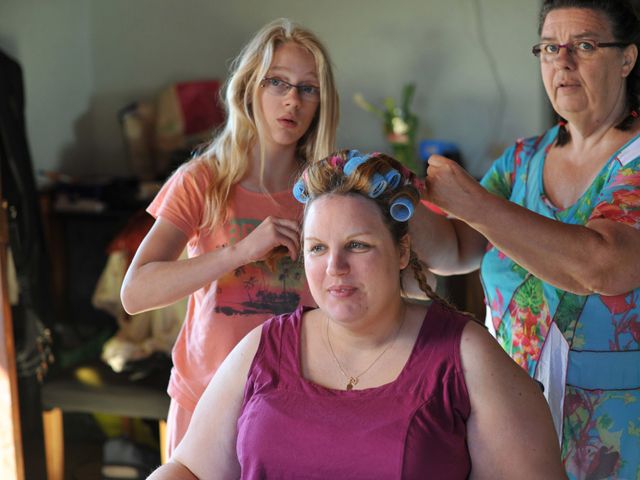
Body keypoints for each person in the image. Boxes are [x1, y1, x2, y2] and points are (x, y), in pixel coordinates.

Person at [146, 150, 565, 479]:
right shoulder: (263, 346)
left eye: (358, 245)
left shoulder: (465, 355)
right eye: (317, 248)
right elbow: (189, 471)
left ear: (402, 251)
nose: (335, 268)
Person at [411, 1, 640, 477]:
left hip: (620, 441)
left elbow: (602, 266)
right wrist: (401, 201)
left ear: (627, 59)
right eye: (550, 48)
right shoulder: (522, 160)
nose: (563, 61)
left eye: (585, 45)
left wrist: (472, 202)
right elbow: (453, 251)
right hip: (518, 431)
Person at [120, 18, 339, 456]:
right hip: (204, 404)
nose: (292, 100)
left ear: (321, 103)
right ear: (249, 90)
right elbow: (135, 292)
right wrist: (240, 252)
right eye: (277, 82)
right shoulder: (202, 181)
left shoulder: (328, 190)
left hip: (297, 407)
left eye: (307, 88)